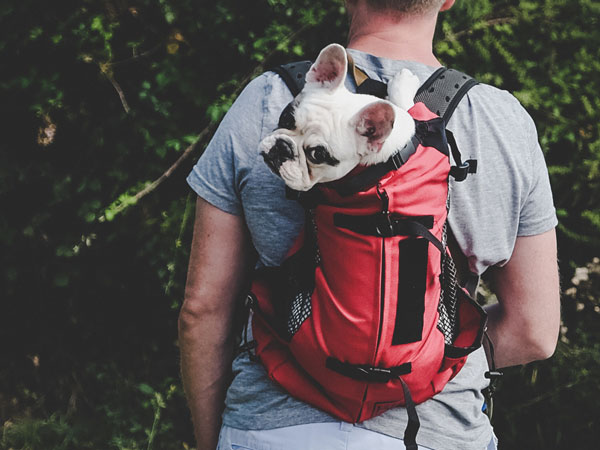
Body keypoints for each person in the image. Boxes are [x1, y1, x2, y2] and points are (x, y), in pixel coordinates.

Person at [178, 1, 561, 449]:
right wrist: (432, 354)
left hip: (272, 429)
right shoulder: (503, 121)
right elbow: (534, 331)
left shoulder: (268, 97)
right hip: (435, 433)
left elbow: (202, 310)